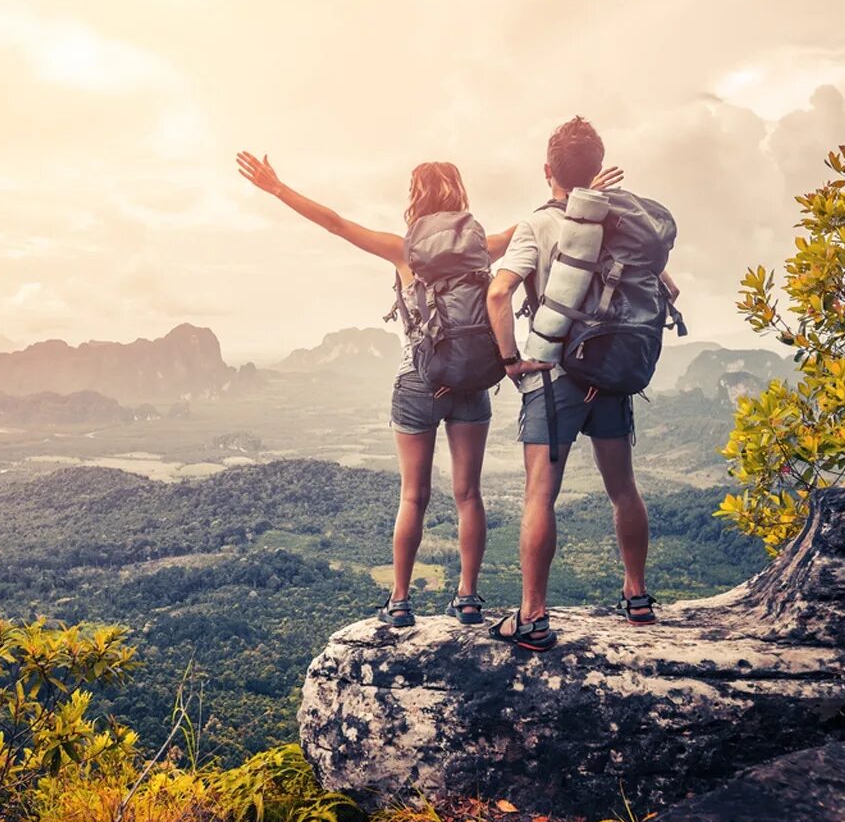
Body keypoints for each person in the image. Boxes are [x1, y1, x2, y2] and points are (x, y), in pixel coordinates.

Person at [236, 151, 623, 628]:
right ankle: (467, 597)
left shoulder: (405, 250)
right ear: (460, 197)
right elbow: (546, 224)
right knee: (469, 496)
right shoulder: (485, 248)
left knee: (413, 496)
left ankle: (399, 602)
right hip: (473, 382)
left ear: (415, 200)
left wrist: (277, 188)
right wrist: (586, 195)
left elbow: (335, 224)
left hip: (419, 381)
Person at [485, 117, 680, 651]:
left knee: (539, 495)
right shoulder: (620, 222)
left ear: (547, 170)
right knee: (623, 489)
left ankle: (533, 617)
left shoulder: (537, 226)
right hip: (613, 374)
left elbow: (499, 293)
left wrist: (508, 359)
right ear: (599, 168)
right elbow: (672, 289)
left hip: (555, 379)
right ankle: (637, 597)